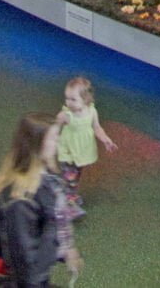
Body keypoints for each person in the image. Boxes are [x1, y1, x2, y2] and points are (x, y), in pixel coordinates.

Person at [0, 114, 76, 288]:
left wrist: (65, 249)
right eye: (53, 138)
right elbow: (24, 260)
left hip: (33, 276)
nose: (57, 142)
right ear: (37, 144)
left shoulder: (44, 178)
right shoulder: (21, 201)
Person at [54, 77, 115, 219]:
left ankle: (67, 194)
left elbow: (97, 128)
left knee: (76, 175)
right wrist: (53, 141)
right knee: (70, 178)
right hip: (68, 152)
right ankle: (68, 205)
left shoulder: (92, 111)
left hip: (82, 152)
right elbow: (54, 128)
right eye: (67, 98)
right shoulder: (66, 115)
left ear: (86, 99)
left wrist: (105, 139)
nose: (69, 102)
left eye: (73, 99)